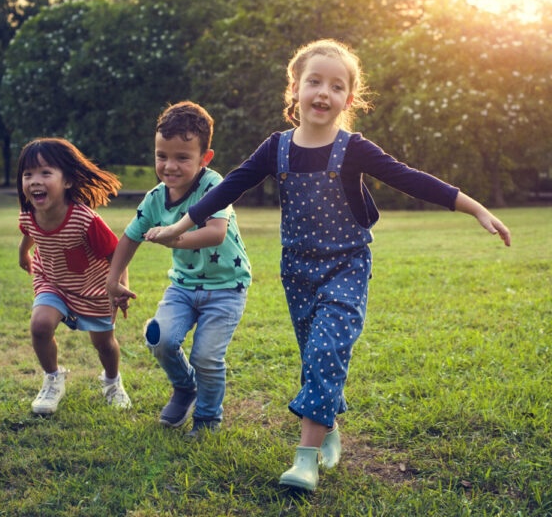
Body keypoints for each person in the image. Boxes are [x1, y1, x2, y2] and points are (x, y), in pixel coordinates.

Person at [146, 39, 511, 491]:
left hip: (347, 266)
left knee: (324, 351)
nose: (323, 92)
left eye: (336, 86)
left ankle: (306, 459)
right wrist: (178, 225)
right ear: (294, 89)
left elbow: (409, 178)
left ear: (348, 99)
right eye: (314, 81)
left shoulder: (353, 148)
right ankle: (330, 426)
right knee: (315, 356)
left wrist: (474, 207)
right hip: (298, 271)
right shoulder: (276, 148)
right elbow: (228, 187)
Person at [106, 101, 251, 438]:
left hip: (226, 288)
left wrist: (174, 238)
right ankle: (185, 388)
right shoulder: (157, 197)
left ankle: (207, 419)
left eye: (182, 158)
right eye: (161, 156)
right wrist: (113, 281)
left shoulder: (215, 186)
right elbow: (129, 237)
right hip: (183, 288)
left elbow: (215, 232)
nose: (169, 166)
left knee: (206, 357)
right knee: (160, 338)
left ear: (205, 158)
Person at [17, 138, 132, 415]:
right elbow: (28, 234)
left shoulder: (85, 219)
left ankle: (112, 382)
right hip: (52, 282)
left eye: (45, 173)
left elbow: (116, 253)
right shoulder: (29, 215)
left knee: (104, 344)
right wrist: (23, 255)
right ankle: (53, 378)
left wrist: (119, 287)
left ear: (67, 181)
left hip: (93, 288)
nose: (35, 181)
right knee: (40, 326)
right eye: (28, 174)